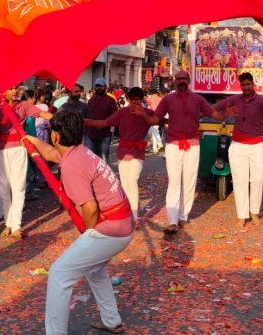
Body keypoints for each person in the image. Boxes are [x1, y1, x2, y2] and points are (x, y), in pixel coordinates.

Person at [23, 110, 134, 335]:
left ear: (55, 136)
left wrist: (88, 234)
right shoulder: (79, 151)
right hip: (122, 223)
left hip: (111, 227)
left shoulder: (73, 164)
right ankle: (112, 321)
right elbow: (52, 154)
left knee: (59, 274)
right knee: (94, 270)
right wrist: (32, 140)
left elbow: (90, 208)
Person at [154, 70, 233, 234]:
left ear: (188, 80)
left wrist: (224, 115)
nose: (181, 81)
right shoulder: (168, 99)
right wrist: (142, 115)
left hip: (193, 144)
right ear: (175, 81)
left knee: (189, 182)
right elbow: (155, 119)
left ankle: (183, 217)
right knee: (174, 182)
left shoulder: (197, 99)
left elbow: (213, 113)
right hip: (173, 145)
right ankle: (172, 221)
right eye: (179, 79)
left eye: (184, 78)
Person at [214, 72, 263, 231]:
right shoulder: (234, 99)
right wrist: (199, 113)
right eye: (243, 85)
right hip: (238, 146)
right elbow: (215, 108)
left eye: (248, 84)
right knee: (239, 181)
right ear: (240, 86)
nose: (246, 87)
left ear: (253, 85)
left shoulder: (261, 100)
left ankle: (254, 213)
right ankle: (242, 216)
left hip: (257, 146)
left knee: (257, 180)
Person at [84, 86, 159, 222]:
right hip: (123, 151)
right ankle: (127, 214)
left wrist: (142, 114)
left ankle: (134, 217)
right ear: (128, 100)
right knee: (125, 184)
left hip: (137, 151)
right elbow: (104, 123)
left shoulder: (148, 112)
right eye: (132, 99)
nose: (134, 102)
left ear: (142, 99)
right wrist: (84, 121)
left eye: (137, 99)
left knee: (132, 181)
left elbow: (158, 121)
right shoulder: (122, 112)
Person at [0, 86, 36, 240]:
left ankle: (16, 226)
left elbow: (43, 114)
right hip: (0, 151)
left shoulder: (23, 106)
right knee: (3, 189)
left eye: (16, 88)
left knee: (18, 188)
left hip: (19, 149)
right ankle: (8, 223)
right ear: (4, 91)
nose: (15, 91)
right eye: (11, 88)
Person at [86, 78, 117, 163]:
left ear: (105, 87)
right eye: (97, 86)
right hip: (90, 135)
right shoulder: (91, 100)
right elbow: (87, 115)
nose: (99, 88)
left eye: (101, 86)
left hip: (104, 135)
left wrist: (105, 124)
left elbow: (115, 116)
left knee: (104, 159)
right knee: (91, 159)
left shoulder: (111, 101)